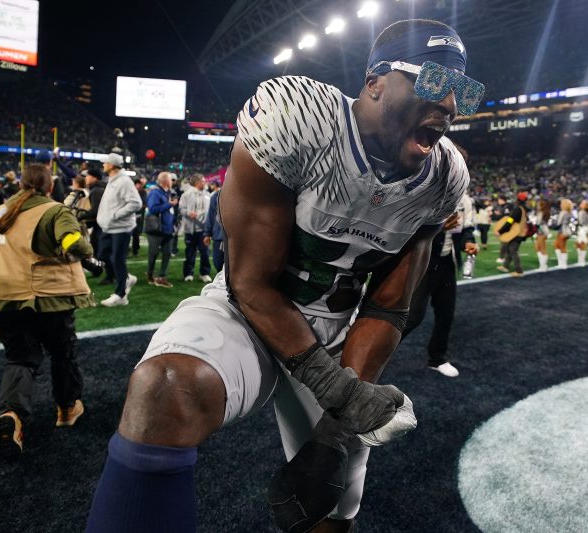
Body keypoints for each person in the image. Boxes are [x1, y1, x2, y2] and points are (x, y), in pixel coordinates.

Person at [86, 18, 479, 533]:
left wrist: (335, 430)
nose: (450, 104)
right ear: (375, 82)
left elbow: (388, 305)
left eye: (463, 91)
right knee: (164, 389)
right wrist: (339, 393)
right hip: (249, 307)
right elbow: (251, 282)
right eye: (435, 81)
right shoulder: (299, 118)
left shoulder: (445, 176)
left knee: (331, 508)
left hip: (340, 328)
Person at [0, 164, 95, 458]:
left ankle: (11, 415)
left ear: (21, 183)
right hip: (47, 298)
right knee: (62, 353)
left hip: (1, 299)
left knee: (20, 358)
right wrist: (86, 252)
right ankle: (66, 409)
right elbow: (73, 243)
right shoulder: (54, 211)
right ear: (50, 186)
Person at [403, 211, 478, 377]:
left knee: (446, 313)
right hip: (423, 260)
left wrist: (468, 242)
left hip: (447, 262)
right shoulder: (431, 196)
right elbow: (409, 225)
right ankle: (375, 352)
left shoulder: (465, 199)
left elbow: (466, 229)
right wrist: (437, 229)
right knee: (412, 317)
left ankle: (437, 358)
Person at [96, 153, 141, 306]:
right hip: (109, 227)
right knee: (102, 255)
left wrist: (115, 215)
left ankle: (121, 295)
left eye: (105, 163)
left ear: (112, 165)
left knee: (117, 259)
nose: (103, 165)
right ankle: (126, 277)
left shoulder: (124, 181)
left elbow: (136, 203)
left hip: (121, 227)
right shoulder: (113, 180)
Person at [145, 172, 177, 287]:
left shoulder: (168, 192)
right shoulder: (155, 192)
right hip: (156, 229)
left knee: (167, 253)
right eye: (170, 179)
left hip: (168, 228)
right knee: (153, 253)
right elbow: (153, 209)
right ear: (165, 181)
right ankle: (150, 274)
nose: (172, 182)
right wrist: (169, 204)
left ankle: (161, 277)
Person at [179, 173, 212, 283]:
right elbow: (181, 209)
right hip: (191, 229)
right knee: (190, 252)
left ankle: (204, 273)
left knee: (205, 252)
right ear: (197, 182)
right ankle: (188, 273)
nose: (205, 182)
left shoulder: (208, 194)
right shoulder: (186, 195)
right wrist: (188, 213)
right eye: (203, 181)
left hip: (204, 229)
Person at [496, 191, 529, 277]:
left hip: (516, 233)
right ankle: (505, 266)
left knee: (513, 250)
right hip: (521, 233)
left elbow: (510, 221)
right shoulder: (524, 209)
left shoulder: (517, 209)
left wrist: (500, 231)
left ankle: (519, 271)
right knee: (509, 248)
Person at [203, 186, 225, 273]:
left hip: (235, 238)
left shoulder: (240, 193)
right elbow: (211, 215)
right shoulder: (216, 195)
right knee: (218, 263)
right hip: (219, 236)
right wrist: (207, 234)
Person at [553, 198, 574, 269]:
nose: (560, 205)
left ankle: (563, 264)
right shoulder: (569, 212)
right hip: (568, 230)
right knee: (558, 245)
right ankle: (561, 263)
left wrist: (553, 224)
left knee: (561, 247)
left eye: (562, 204)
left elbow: (558, 223)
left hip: (562, 230)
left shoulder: (563, 212)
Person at [130, 177, 148, 257]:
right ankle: (127, 249)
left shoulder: (143, 192)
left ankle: (135, 249)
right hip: (129, 215)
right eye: (137, 184)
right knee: (128, 233)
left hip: (138, 215)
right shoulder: (130, 192)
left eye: (140, 184)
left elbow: (144, 204)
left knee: (136, 233)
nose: (138, 186)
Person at [533, 198, 552, 271]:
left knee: (542, 248)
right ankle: (542, 265)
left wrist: (533, 230)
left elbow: (538, 223)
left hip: (542, 231)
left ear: (542, 205)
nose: (537, 206)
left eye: (538, 204)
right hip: (542, 230)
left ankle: (543, 266)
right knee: (538, 247)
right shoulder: (544, 212)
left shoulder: (541, 212)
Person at [575, 200, 588, 267]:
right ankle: (581, 260)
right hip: (587, 228)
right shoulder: (587, 212)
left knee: (581, 244)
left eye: (583, 204)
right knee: (579, 244)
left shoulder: (582, 212)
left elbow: (581, 222)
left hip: (583, 229)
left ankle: (582, 261)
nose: (581, 204)